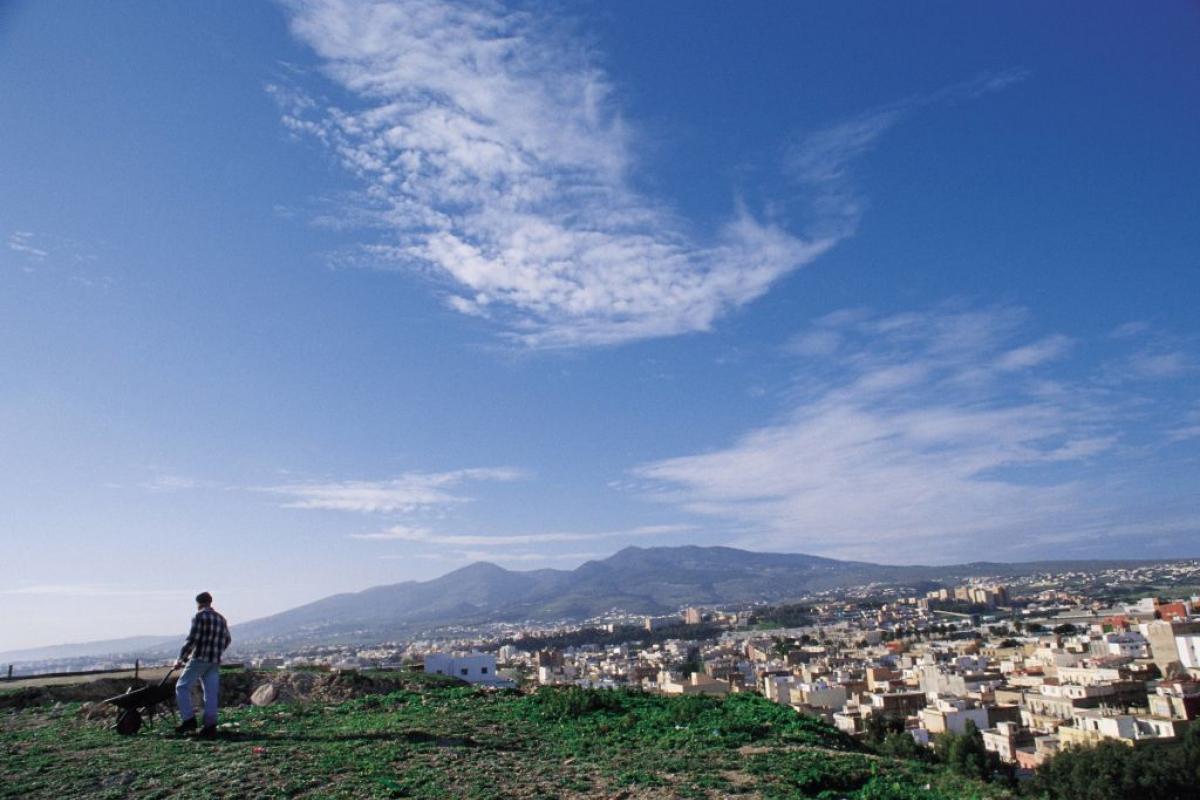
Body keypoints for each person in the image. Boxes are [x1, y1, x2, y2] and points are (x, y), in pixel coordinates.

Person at [174, 591, 231, 737]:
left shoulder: (199, 616)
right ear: (210, 602)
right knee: (211, 694)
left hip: (200, 658)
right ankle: (210, 726)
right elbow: (227, 639)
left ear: (198, 603)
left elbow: (192, 639)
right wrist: (217, 651)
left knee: (182, 687)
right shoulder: (221, 618)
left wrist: (181, 659)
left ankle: (188, 719)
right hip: (214, 661)